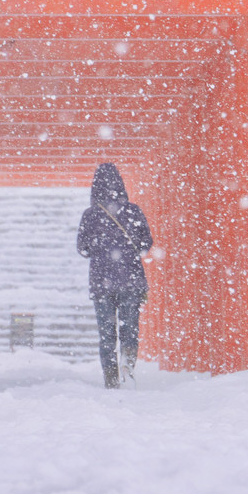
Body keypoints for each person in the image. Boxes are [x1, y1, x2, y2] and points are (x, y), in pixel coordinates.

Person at [77, 163, 153, 389]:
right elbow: (146, 245)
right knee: (130, 328)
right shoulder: (134, 211)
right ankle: (127, 365)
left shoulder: (91, 215)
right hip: (131, 280)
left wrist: (101, 250)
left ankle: (110, 378)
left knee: (107, 334)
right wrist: (128, 250)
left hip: (102, 283)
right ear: (120, 185)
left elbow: (82, 249)